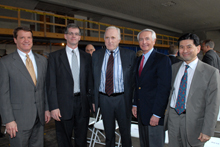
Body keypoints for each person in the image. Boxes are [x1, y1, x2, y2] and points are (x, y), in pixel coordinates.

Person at [164, 33, 220, 147]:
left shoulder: (211, 72)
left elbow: (213, 104)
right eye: (181, 47)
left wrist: (207, 129)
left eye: (189, 46)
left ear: (198, 48)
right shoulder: (174, 68)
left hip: (195, 122)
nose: (184, 50)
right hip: (173, 118)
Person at [0, 26, 50, 147]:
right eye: (22, 37)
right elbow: (3, 93)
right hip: (18, 120)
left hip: (39, 118)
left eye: (29, 37)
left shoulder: (42, 61)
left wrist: (46, 109)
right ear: (15, 40)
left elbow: (44, 88)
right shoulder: (6, 62)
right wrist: (9, 120)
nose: (26, 40)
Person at [46, 23, 93, 147]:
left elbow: (90, 81)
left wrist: (90, 102)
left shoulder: (86, 57)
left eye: (76, 34)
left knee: (81, 139)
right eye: (71, 33)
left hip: (82, 104)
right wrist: (54, 107)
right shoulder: (54, 57)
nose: (73, 36)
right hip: (62, 106)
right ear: (65, 36)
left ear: (79, 37)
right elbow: (51, 84)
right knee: (63, 139)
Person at [92, 26, 136, 147]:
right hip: (104, 99)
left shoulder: (130, 55)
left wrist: (134, 102)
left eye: (113, 37)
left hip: (123, 99)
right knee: (109, 133)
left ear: (119, 39)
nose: (110, 41)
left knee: (125, 133)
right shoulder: (96, 55)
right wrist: (94, 100)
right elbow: (92, 79)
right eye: (107, 38)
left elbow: (134, 81)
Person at [132, 29, 172, 147]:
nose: (144, 42)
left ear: (154, 41)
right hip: (141, 112)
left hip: (154, 114)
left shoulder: (162, 59)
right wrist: (135, 104)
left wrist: (157, 114)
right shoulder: (139, 60)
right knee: (144, 144)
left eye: (147, 39)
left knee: (154, 144)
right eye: (141, 39)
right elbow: (137, 84)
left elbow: (164, 89)